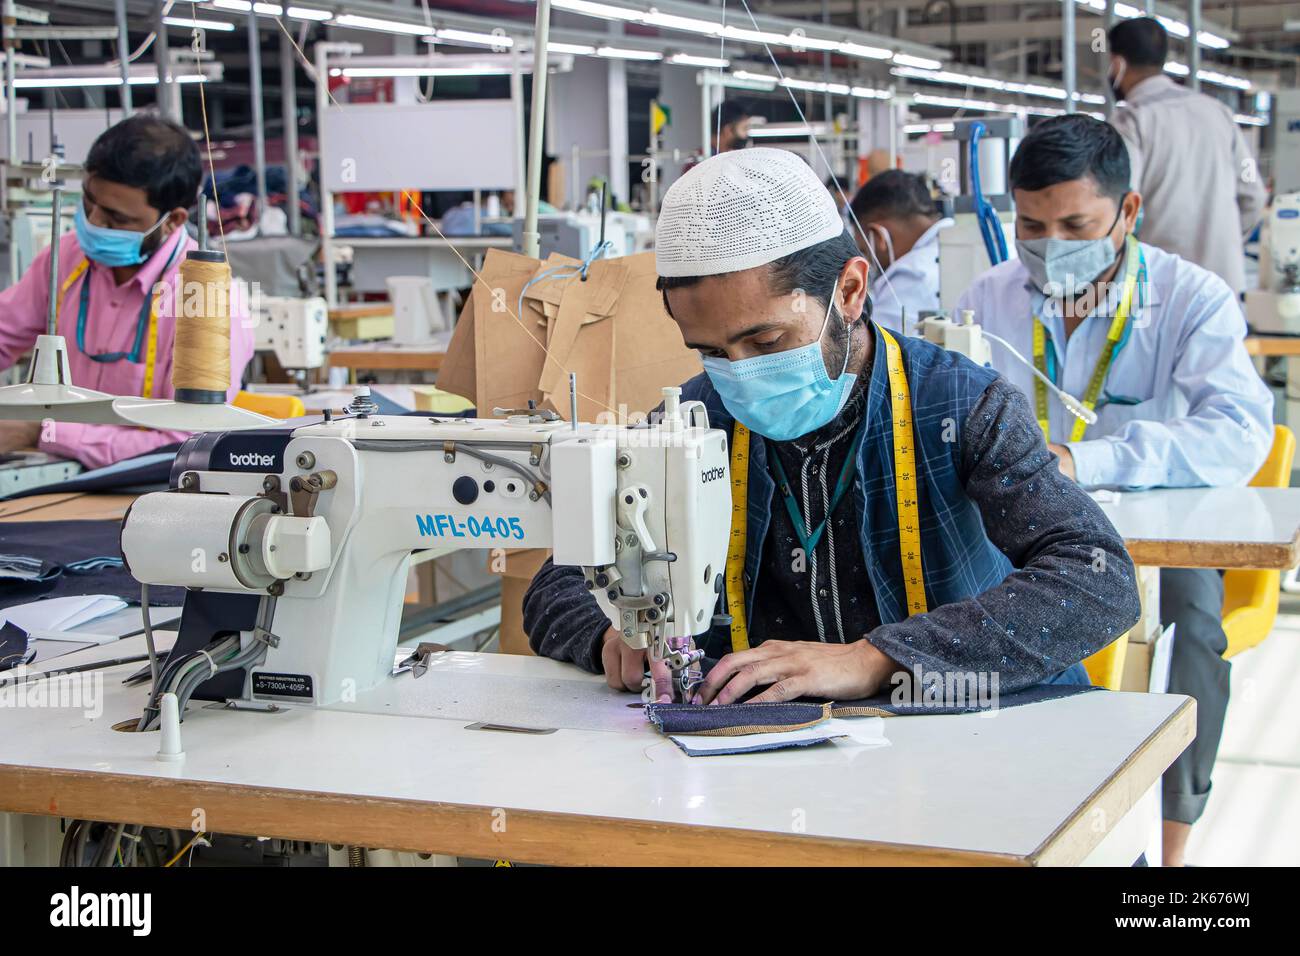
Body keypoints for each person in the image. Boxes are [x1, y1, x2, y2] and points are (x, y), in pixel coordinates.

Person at [524, 145, 1140, 710]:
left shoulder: (961, 405)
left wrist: (877, 659)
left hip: (959, 731)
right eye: (709, 350)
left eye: (766, 339)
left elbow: (1098, 576)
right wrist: (611, 630)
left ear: (849, 290)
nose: (738, 373)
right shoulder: (693, 417)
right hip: (777, 749)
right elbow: (558, 582)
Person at [958, 114, 1274, 866]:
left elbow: (1239, 431)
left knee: (1194, 637)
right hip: (1023, 532)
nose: (1050, 245)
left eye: (1076, 224)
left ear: (1128, 213)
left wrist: (1086, 460)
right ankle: (1016, 821)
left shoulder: (1191, 297)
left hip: (1157, 534)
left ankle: (1168, 852)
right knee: (953, 621)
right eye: (1031, 225)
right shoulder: (989, 297)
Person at [0, 115, 254, 470]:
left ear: (174, 219)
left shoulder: (205, 300)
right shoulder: (66, 258)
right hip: (53, 478)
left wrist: (43, 433)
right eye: (89, 203)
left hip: (151, 492)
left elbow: (188, 442)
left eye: (116, 219)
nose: (94, 222)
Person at [1106, 16, 1266, 295]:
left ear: (1118, 64)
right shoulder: (1218, 112)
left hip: (1165, 286)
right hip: (1224, 284)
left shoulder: (1130, 121)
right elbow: (1254, 194)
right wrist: (1223, 244)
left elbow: (1119, 205)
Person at [849, 169, 952, 333]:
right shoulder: (959, 242)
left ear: (879, 236)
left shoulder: (910, 275)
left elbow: (875, 345)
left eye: (865, 251)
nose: (869, 260)